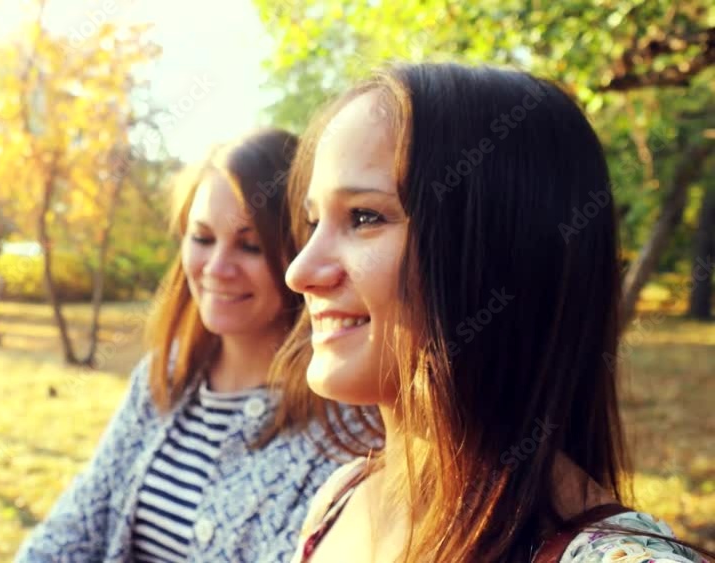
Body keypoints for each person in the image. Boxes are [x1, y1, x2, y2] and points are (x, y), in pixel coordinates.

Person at [277, 63, 714, 562]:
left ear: (501, 253)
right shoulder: (341, 497)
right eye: (314, 221)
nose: (300, 271)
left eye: (365, 217)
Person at [15, 128, 376, 563]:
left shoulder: (349, 429)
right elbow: (77, 524)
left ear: (299, 250)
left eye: (250, 246)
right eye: (202, 238)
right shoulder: (163, 377)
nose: (217, 268)